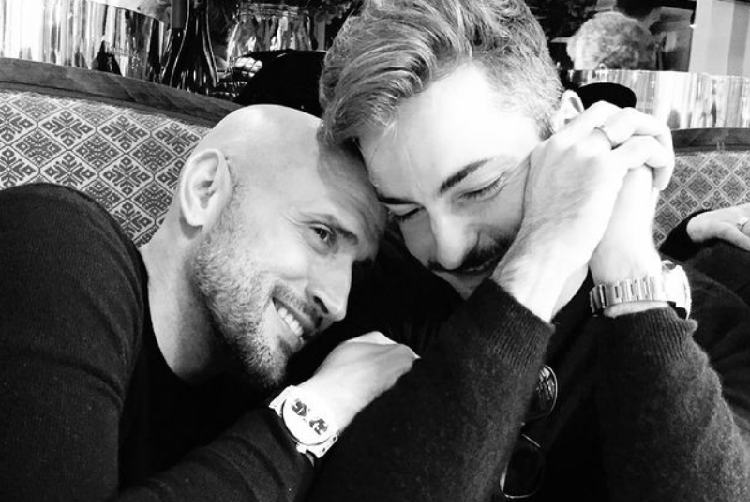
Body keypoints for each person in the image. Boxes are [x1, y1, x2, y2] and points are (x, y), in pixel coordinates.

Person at [297, 0, 750, 501]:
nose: (448, 251)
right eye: (406, 212)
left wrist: (629, 278)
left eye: (481, 188)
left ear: (570, 129)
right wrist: (537, 263)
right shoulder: (366, 301)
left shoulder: (715, 329)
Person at [0, 105, 418, 501]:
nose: (338, 303)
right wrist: (312, 413)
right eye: (322, 234)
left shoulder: (250, 388)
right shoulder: (56, 243)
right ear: (204, 191)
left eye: (355, 270)